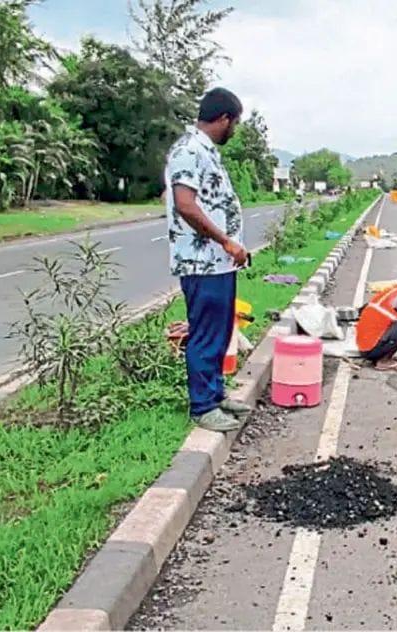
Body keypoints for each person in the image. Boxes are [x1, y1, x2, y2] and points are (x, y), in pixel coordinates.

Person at [165, 87, 249, 433]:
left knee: (220, 330)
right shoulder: (188, 150)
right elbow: (185, 205)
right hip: (202, 261)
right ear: (224, 118)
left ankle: (215, 394)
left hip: (219, 262)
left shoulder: (206, 152)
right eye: (235, 123)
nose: (235, 130)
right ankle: (203, 406)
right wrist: (226, 241)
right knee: (205, 333)